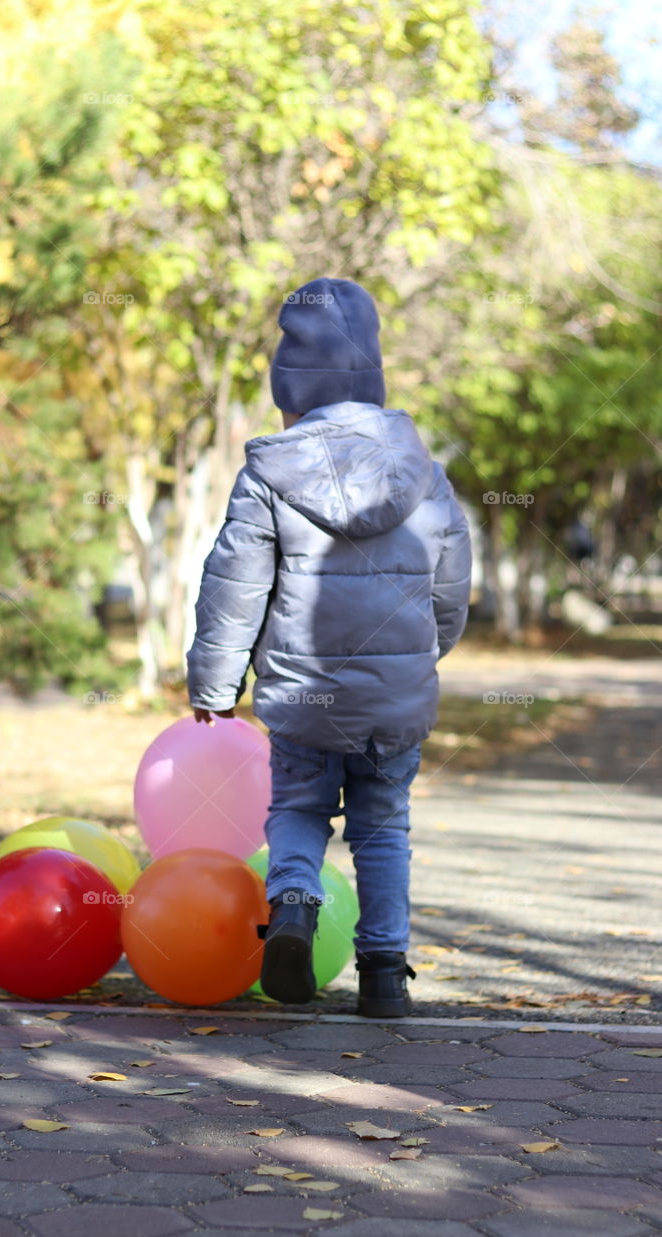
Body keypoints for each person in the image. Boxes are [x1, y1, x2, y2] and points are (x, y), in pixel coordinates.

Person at [185, 277, 472, 1017]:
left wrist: (214, 685)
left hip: (303, 696)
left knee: (299, 808)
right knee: (383, 827)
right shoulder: (425, 474)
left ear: (291, 390)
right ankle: (384, 974)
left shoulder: (267, 474)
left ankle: (291, 908)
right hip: (393, 702)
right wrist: (418, 661)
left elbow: (233, 587)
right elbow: (449, 591)